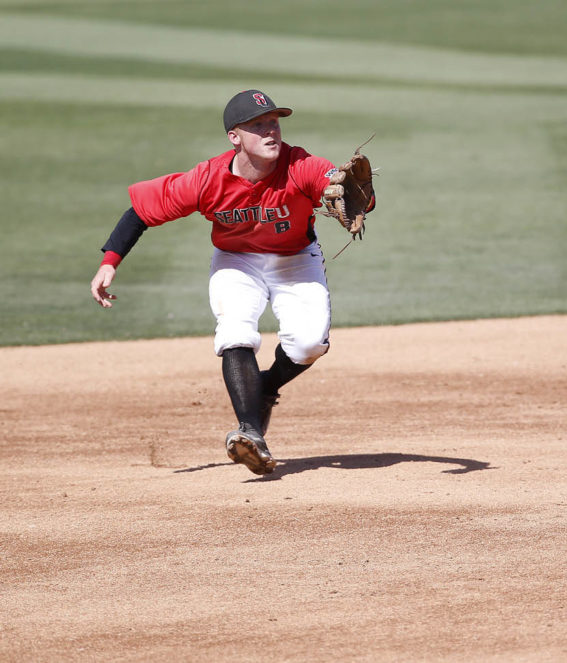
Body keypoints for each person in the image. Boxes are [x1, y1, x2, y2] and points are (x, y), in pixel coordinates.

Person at [90, 89, 375, 476]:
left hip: (296, 260)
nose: (271, 131)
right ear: (235, 137)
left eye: (274, 122)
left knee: (309, 344)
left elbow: (343, 188)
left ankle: (266, 388)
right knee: (235, 331)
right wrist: (110, 261)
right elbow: (141, 210)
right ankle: (250, 433)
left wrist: (363, 196)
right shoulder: (207, 178)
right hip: (237, 261)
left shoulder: (301, 164)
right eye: (258, 125)